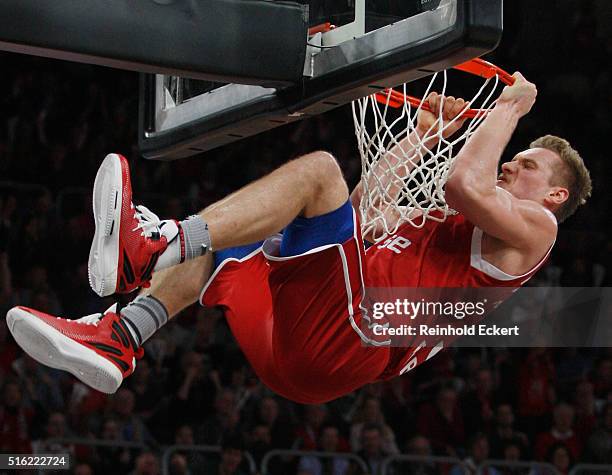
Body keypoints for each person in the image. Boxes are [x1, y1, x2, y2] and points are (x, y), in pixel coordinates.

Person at [7, 74, 592, 404]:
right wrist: (421, 136)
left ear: (555, 196)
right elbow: (357, 216)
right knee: (245, 234)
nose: (512, 165)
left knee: (318, 171)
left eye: (527, 165)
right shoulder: (448, 227)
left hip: (354, 335)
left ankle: (155, 245)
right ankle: (123, 335)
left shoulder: (536, 232)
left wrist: (509, 109)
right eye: (514, 157)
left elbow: (467, 181)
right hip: (308, 351)